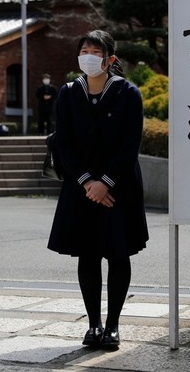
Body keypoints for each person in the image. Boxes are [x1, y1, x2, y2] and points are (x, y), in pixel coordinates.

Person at [47, 30, 149, 350]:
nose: (88, 56)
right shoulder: (68, 93)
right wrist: (88, 182)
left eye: (95, 51)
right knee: (88, 255)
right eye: (84, 50)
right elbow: (64, 143)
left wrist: (105, 182)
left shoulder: (128, 93)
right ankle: (93, 325)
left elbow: (129, 145)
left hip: (118, 188)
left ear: (110, 59)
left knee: (118, 253)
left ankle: (113, 326)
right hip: (82, 187)